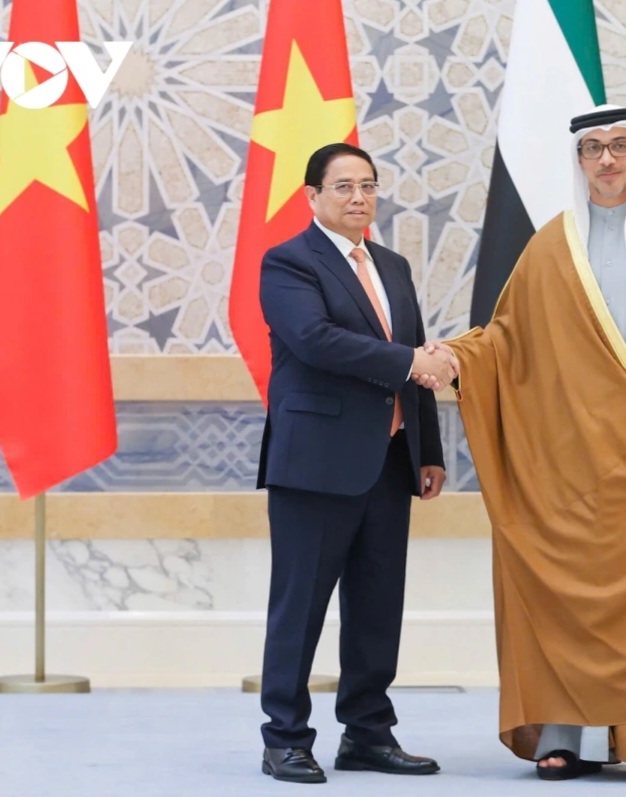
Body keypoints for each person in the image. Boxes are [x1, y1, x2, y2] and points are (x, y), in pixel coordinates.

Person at [429, 105, 626, 786]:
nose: (607, 160)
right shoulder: (553, 245)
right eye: (594, 149)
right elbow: (507, 339)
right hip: (576, 465)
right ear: (578, 161)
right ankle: (564, 734)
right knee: (569, 600)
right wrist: (457, 357)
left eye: (620, 146)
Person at [255, 142, 456, 784]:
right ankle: (285, 738)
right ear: (312, 196)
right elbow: (316, 341)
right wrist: (410, 361)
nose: (358, 197)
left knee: (376, 607)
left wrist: (427, 450)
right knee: (300, 607)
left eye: (367, 185)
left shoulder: (392, 266)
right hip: (315, 464)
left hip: (390, 462)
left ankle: (368, 734)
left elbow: (412, 359)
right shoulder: (289, 262)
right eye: (343, 186)